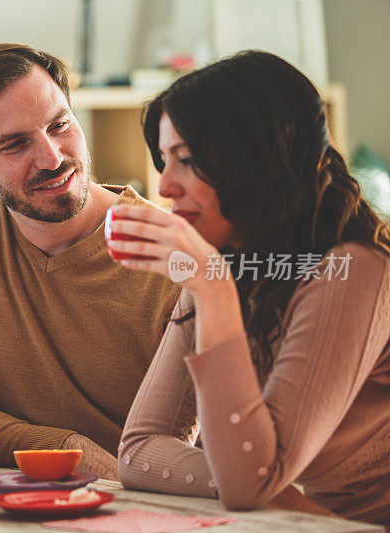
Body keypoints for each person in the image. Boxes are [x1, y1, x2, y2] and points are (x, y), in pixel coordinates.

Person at [111, 50, 390, 525]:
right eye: (163, 160)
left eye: (187, 159)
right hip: (304, 520)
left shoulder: (354, 270)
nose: (164, 187)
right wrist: (272, 490)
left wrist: (261, 485)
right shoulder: (225, 263)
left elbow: (249, 483)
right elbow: (139, 450)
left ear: (259, 158)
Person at [0, 43, 179, 480]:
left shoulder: (171, 256)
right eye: (16, 145)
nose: (52, 158)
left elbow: (186, 452)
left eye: (60, 125)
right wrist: (66, 449)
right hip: (10, 507)